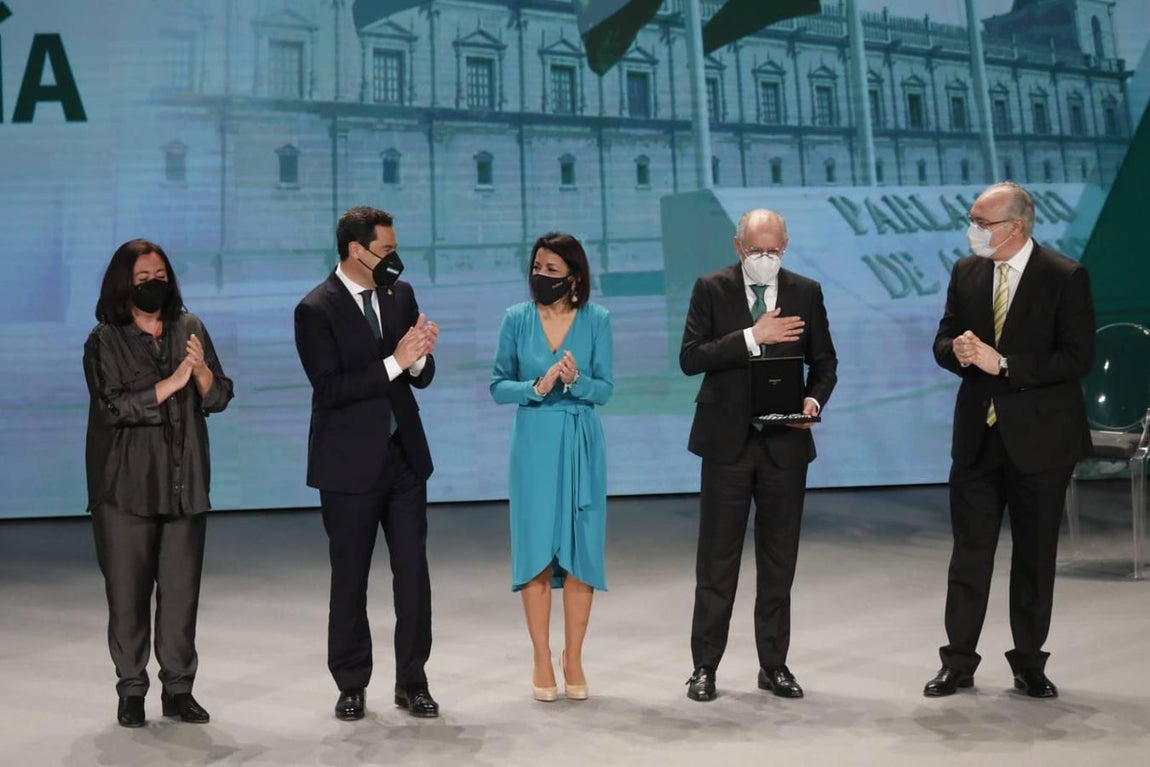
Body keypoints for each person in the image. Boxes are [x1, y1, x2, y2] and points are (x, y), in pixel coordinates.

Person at [925, 181, 1094, 699]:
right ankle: (958, 662)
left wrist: (1005, 365)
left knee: (1034, 556)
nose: (972, 231)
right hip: (978, 438)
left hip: (1041, 441)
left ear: (1015, 226)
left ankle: (1028, 663)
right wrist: (956, 349)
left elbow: (1076, 357)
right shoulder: (966, 271)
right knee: (969, 555)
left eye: (982, 222)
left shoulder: (1064, 276)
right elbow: (942, 340)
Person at [680, 209, 837, 702]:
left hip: (784, 445)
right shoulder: (711, 288)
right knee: (717, 561)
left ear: (785, 247)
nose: (766, 259)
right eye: (757, 251)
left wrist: (813, 401)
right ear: (737, 247)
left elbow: (825, 362)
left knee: (778, 560)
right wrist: (753, 337)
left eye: (775, 251)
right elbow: (691, 358)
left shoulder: (806, 292)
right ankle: (704, 667)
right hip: (727, 444)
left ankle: (774, 665)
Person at [294, 206, 441, 720]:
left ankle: (412, 680)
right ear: (356, 250)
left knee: (413, 576)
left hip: (402, 459)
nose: (394, 260)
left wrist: (419, 356)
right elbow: (331, 387)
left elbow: (419, 374)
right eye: (386, 251)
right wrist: (397, 361)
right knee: (350, 577)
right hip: (348, 465)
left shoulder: (399, 293)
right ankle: (351, 682)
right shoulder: (315, 308)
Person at [83, 239, 234, 728]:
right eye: (144, 277)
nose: (155, 283)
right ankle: (131, 690)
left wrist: (204, 373)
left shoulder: (190, 328)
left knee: (180, 592)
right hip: (125, 488)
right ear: (125, 283)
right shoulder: (103, 340)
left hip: (183, 483)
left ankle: (178, 688)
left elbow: (219, 398)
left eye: (161, 275)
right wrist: (172, 382)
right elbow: (114, 407)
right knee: (127, 596)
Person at [490, 232, 614, 702]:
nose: (540, 276)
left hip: (582, 442)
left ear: (574, 278)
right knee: (537, 550)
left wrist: (577, 380)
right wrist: (536, 388)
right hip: (534, 443)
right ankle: (542, 656)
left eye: (551, 270)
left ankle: (574, 655)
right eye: (536, 267)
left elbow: (606, 389)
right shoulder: (516, 320)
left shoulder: (597, 319)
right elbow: (498, 385)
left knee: (581, 552)